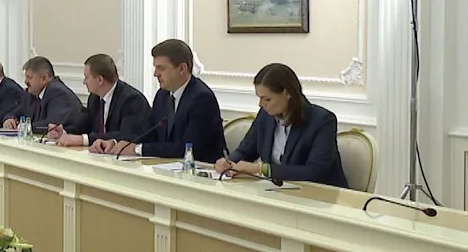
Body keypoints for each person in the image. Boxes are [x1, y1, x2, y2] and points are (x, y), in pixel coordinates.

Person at [91, 39, 226, 162]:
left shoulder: (202, 98)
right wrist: (115, 143)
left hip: (202, 171)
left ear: (182, 68)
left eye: (161, 68)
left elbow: (187, 148)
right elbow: (147, 132)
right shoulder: (162, 95)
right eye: (155, 67)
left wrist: (138, 149)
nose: (155, 74)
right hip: (168, 167)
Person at [216, 63, 348, 187]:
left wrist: (262, 169)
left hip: (320, 195)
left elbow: (314, 171)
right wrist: (228, 163)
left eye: (267, 99)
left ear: (287, 93)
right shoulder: (265, 115)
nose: (260, 104)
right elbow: (245, 151)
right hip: (278, 191)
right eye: (259, 98)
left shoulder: (322, 121)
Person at [50, 54, 151, 147]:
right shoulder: (94, 98)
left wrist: (84, 140)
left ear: (100, 80)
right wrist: (64, 132)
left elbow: (126, 135)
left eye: (86, 77)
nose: (84, 82)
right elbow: (85, 125)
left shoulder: (131, 100)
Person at [2, 57, 82, 132]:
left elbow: (51, 125)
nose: (25, 81)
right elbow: (17, 112)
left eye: (30, 77)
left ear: (44, 78)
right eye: (25, 77)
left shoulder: (58, 93)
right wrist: (9, 119)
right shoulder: (32, 93)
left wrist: (23, 127)